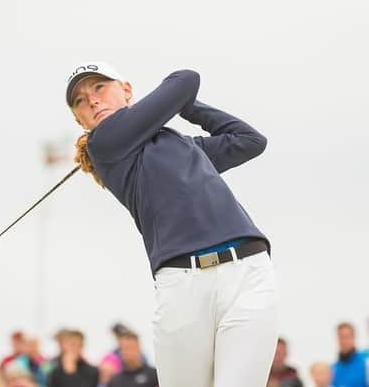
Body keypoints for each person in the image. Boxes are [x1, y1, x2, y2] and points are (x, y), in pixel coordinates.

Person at [66, 62, 277, 387]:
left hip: (248, 273)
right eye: (80, 100)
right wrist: (179, 101)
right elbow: (185, 79)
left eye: (99, 87)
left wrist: (188, 106)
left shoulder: (185, 146)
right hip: (183, 286)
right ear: (80, 120)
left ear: (127, 90)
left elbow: (250, 140)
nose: (91, 100)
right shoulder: (104, 143)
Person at [331, 322, 369, 387]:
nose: (344, 341)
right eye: (341, 337)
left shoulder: (366, 359)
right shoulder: (334, 368)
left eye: (347, 337)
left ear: (354, 337)